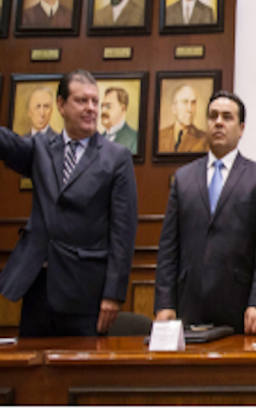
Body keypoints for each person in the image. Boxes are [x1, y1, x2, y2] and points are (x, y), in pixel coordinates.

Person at [0, 70, 138, 336]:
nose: (91, 108)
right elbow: (8, 144)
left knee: (80, 363)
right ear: (61, 105)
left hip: (84, 291)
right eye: (81, 101)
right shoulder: (41, 148)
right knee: (32, 362)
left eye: (95, 101)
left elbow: (123, 233)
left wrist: (114, 294)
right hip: (37, 287)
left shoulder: (116, 157)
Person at [155, 91, 256, 334]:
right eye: (213, 116)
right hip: (189, 304)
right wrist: (164, 303)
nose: (219, 122)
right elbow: (168, 246)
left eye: (227, 117)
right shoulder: (184, 178)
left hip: (238, 307)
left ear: (241, 129)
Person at [157, 84, 208, 153]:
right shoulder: (160, 136)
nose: (190, 109)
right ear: (174, 108)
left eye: (193, 103)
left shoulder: (204, 139)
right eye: (185, 102)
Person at [101, 87, 138, 154]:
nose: (103, 111)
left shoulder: (135, 139)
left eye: (108, 106)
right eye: (102, 106)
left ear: (122, 109)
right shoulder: (97, 140)